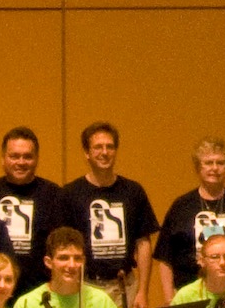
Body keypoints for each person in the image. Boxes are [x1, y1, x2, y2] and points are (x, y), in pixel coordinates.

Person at [62, 122, 160, 291]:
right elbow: (64, 245)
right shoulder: (70, 193)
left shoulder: (133, 191)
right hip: (86, 286)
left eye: (110, 147)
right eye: (98, 147)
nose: (105, 152)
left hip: (125, 286)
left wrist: (143, 292)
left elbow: (143, 244)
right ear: (87, 152)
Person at [160, 138, 225, 290]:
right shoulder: (181, 206)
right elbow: (165, 258)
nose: (215, 168)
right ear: (198, 167)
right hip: (189, 293)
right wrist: (170, 300)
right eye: (208, 163)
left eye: (220, 163)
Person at [0, 127, 65, 297]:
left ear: (36, 159)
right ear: (3, 158)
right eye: (14, 156)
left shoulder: (54, 195)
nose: (21, 162)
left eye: (27, 156)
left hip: (40, 291)